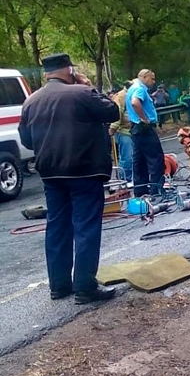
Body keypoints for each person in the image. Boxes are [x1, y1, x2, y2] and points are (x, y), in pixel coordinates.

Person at [18, 53, 119, 304]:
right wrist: (89, 86)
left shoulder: (31, 101)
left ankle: (59, 285)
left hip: (51, 173)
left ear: (46, 74)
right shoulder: (82, 93)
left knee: (57, 226)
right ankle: (85, 287)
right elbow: (113, 111)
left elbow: (27, 139)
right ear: (69, 70)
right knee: (85, 226)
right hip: (84, 170)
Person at [127, 69, 167, 197]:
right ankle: (157, 190)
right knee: (156, 159)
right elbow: (135, 102)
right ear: (144, 77)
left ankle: (140, 191)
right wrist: (144, 119)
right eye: (152, 78)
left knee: (139, 161)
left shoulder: (131, 88)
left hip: (135, 128)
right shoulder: (140, 88)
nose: (153, 82)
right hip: (144, 128)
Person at [108, 80, 136, 182]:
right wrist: (113, 127)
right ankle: (125, 179)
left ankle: (132, 178)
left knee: (134, 157)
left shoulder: (134, 93)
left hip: (133, 130)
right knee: (127, 157)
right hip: (124, 131)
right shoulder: (120, 96)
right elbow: (117, 113)